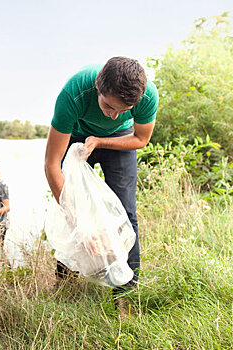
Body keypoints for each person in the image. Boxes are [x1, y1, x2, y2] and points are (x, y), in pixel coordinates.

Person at [44, 57, 158, 315]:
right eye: (108, 106)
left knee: (127, 212)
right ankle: (65, 284)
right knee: (70, 208)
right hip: (75, 135)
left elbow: (141, 139)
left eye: (123, 109)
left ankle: (125, 296)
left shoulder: (146, 96)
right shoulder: (73, 93)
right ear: (98, 84)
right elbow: (51, 164)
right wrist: (81, 223)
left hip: (119, 139)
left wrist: (101, 141)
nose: (114, 114)